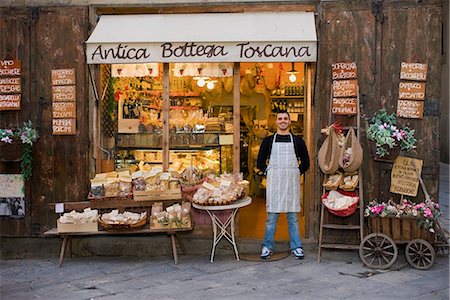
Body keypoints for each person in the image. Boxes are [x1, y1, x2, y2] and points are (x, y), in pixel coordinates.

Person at [256, 111, 310, 259]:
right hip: (275, 183)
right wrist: (269, 171)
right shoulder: (268, 141)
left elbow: (306, 162)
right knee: (271, 218)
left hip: (291, 183)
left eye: (285, 119)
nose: (283, 121)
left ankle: (296, 246)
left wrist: (296, 172)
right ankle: (267, 246)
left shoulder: (298, 141)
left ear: (289, 122)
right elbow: (260, 162)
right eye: (280, 119)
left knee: (293, 217)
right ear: (276, 122)